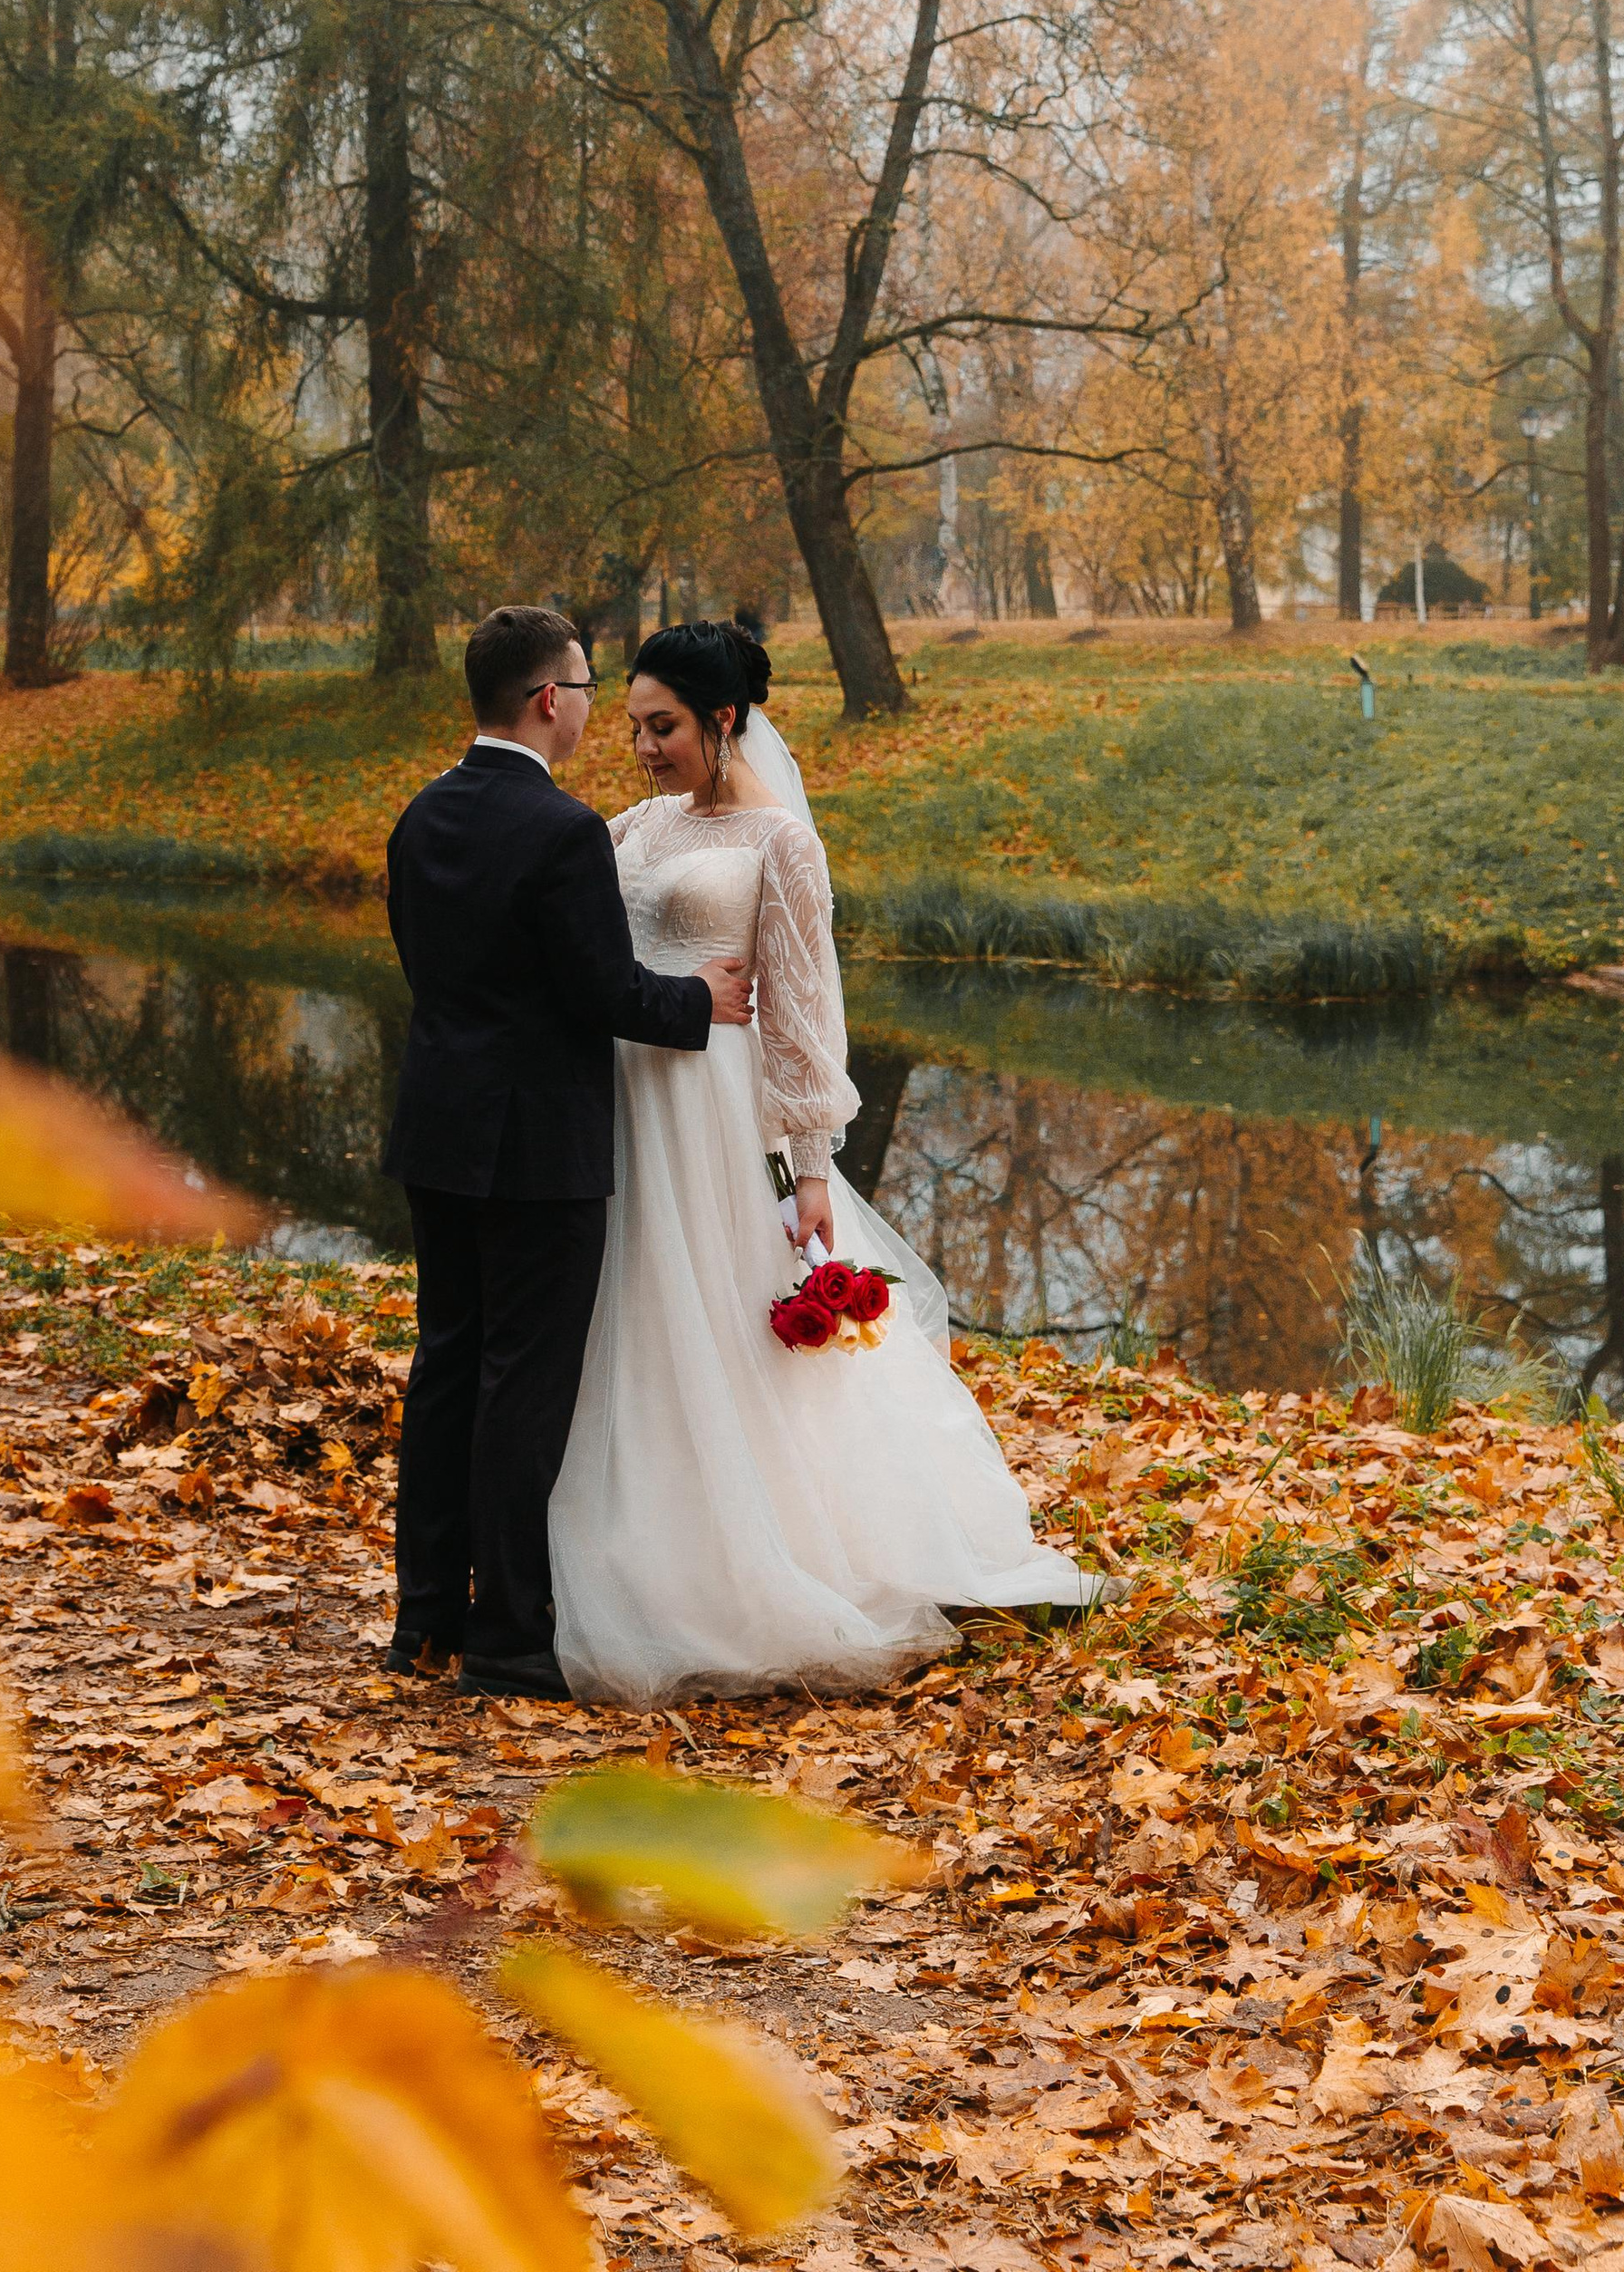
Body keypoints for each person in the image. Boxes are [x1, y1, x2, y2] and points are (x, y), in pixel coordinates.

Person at [547, 617, 1098, 1702]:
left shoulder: (780, 846)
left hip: (713, 1113)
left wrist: (805, 1165)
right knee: (633, 1318)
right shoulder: (633, 827)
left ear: (722, 718)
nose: (644, 748)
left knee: (717, 1319)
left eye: (662, 726)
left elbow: (799, 1010)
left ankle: (759, 1558)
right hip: (620, 1099)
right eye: (631, 727)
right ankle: (620, 1545)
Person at [382, 604, 754, 1699]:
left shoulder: (420, 815)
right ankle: (506, 1633)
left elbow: (436, 973)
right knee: (524, 1386)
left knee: (447, 1364)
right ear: (551, 699)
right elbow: (601, 991)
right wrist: (697, 1000)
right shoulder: (560, 831)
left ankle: (422, 1618)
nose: (595, 711)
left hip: (437, 1131)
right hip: (537, 1147)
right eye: (588, 690)